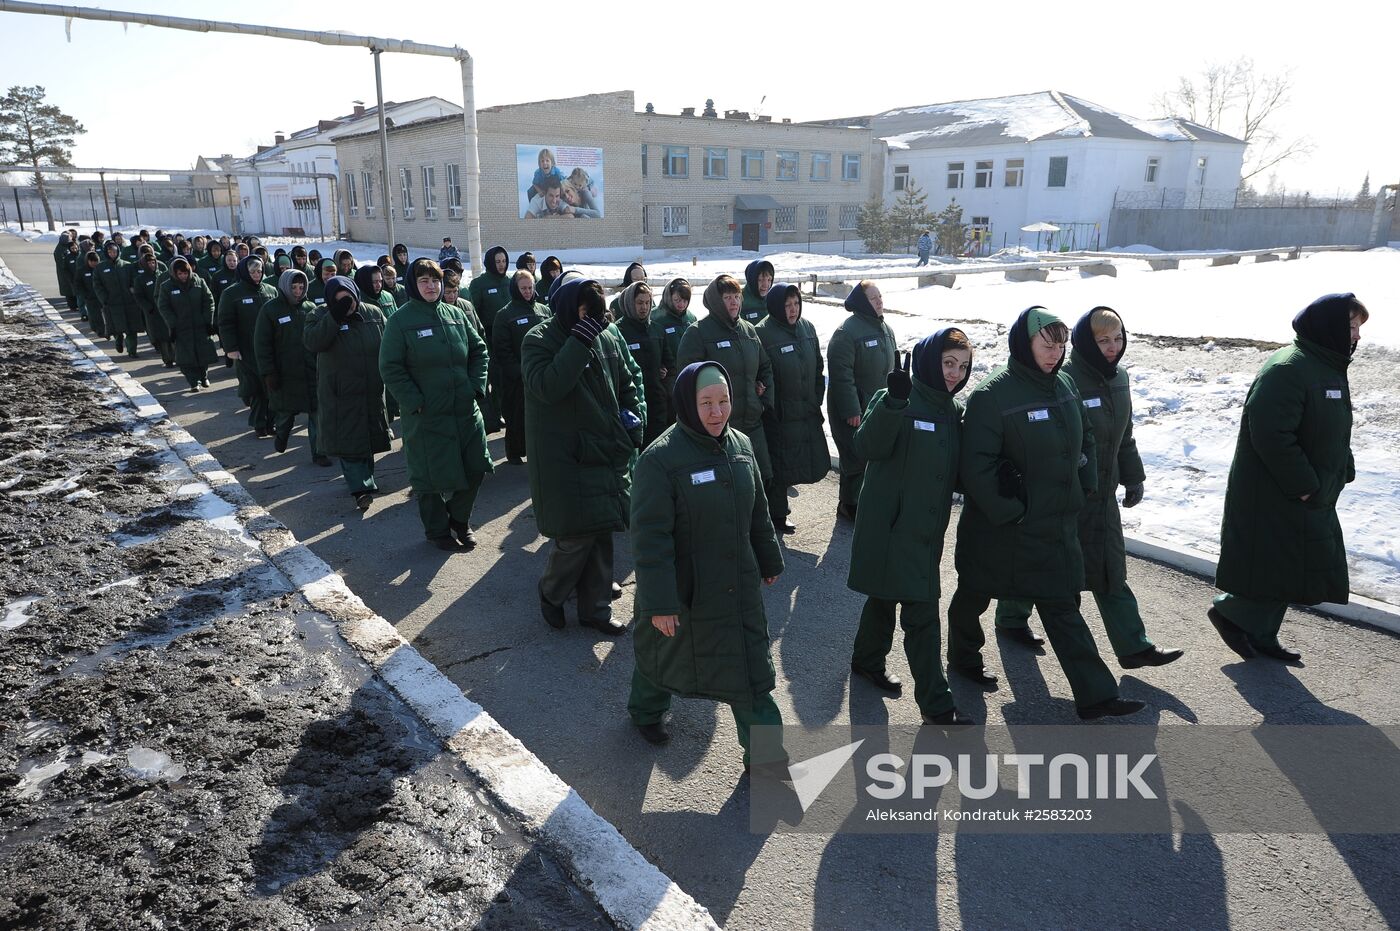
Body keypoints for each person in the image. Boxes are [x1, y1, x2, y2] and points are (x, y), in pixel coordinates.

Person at [947, 306, 1144, 721]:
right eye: (1046, 344)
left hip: (1056, 523)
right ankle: (963, 658)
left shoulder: (1065, 385)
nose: (1055, 353)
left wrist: (1085, 485)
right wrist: (1011, 511)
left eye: (1061, 345)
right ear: (1024, 342)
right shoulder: (992, 394)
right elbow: (975, 467)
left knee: (1062, 606)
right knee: (974, 595)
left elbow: (1086, 437)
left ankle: (1096, 695)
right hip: (1003, 529)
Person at [995, 307, 1183, 669]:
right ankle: (1011, 616)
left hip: (1104, 496)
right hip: (1070, 494)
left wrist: (1133, 475)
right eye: (1103, 340)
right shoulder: (1063, 378)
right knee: (1050, 567)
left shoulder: (1120, 378)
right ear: (1085, 341)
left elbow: (1122, 434)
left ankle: (1133, 645)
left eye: (1118, 339)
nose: (1113, 347)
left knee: (1110, 568)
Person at [628, 361, 789, 774]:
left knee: (751, 673)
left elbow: (757, 511)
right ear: (687, 403)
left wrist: (769, 558)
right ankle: (645, 711)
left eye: (723, 401)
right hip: (687, 590)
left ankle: (767, 760)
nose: (717, 412)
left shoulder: (741, 446)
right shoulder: (659, 460)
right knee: (663, 655)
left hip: (739, 585)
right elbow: (651, 539)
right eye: (706, 403)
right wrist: (659, 604)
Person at [1209, 293, 1369, 663]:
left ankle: (1262, 634)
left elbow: (1330, 427)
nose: (1357, 336)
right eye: (1351, 327)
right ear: (1328, 326)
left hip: (1313, 489)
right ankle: (1230, 614)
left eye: (1358, 328)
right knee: (1277, 562)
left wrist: (1342, 466)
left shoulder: (1326, 366)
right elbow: (1270, 434)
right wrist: (1304, 486)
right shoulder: (1289, 368)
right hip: (1279, 490)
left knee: (1290, 566)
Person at [848, 331, 974, 725]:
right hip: (892, 526)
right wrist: (893, 402)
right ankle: (937, 704)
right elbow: (866, 446)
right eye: (948, 362)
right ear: (930, 358)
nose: (955, 373)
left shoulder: (951, 410)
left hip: (925, 529)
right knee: (921, 613)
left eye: (963, 366)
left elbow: (946, 470)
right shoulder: (897, 396)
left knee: (885, 596)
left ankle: (867, 660)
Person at [522, 277, 643, 634]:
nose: (588, 319)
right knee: (575, 537)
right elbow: (547, 386)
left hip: (606, 449)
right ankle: (552, 592)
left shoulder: (606, 336)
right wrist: (578, 341)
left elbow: (627, 384)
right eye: (581, 312)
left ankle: (596, 610)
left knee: (601, 531)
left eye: (593, 313)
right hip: (566, 456)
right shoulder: (539, 340)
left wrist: (634, 420)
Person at [379, 258, 493, 551]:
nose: (432, 286)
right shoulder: (400, 321)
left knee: (476, 465)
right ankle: (437, 530)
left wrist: (475, 387)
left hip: (465, 409)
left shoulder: (456, 315)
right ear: (413, 285)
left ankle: (459, 519)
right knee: (428, 477)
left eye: (436, 280)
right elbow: (390, 367)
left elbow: (480, 351)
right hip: (426, 414)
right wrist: (414, 401)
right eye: (424, 281)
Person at [676, 274, 776, 522]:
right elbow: (686, 382)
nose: (733, 302)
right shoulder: (698, 333)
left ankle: (756, 531)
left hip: (752, 423)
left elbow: (766, 367)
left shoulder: (749, 331)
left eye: (737, 297)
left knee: (760, 478)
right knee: (724, 487)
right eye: (727, 297)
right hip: (718, 428)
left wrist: (763, 401)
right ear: (715, 300)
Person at [305, 276, 391, 511]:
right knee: (349, 442)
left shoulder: (372, 313)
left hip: (371, 389)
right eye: (340, 301)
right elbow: (313, 341)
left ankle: (365, 480)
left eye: (349, 300)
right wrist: (335, 315)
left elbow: (390, 342)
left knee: (368, 440)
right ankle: (360, 489)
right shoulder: (319, 315)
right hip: (340, 392)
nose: (348, 305)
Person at [756, 282, 828, 534]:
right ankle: (777, 513)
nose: (793, 309)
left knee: (800, 460)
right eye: (787, 305)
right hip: (780, 413)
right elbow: (760, 374)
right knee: (779, 465)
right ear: (776, 306)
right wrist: (770, 405)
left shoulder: (807, 328)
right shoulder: (762, 333)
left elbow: (818, 368)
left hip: (805, 409)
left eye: (796, 303)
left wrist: (816, 396)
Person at [827, 281, 898, 520]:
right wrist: (851, 409)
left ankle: (866, 501)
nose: (879, 301)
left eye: (880, 296)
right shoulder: (847, 332)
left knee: (872, 456)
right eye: (873, 298)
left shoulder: (886, 329)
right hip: (855, 408)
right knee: (854, 458)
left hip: (877, 407)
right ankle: (849, 505)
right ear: (861, 302)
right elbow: (840, 375)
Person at [254, 269, 327, 465]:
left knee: (316, 414)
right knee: (286, 413)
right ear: (285, 286)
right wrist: (268, 372)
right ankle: (281, 436)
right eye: (293, 287)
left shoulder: (310, 308)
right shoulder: (270, 310)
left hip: (311, 371)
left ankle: (319, 452)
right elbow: (262, 344)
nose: (297, 291)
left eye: (301, 287)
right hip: (285, 373)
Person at [491, 269, 550, 464]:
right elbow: (502, 349)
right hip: (517, 377)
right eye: (523, 288)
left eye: (530, 287)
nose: (527, 291)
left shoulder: (544, 310)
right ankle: (515, 451)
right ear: (515, 288)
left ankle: (539, 450)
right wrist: (518, 370)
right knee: (516, 415)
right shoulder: (505, 314)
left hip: (541, 374)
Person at [218, 256, 279, 438]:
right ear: (244, 271)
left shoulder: (270, 291)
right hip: (246, 349)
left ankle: (271, 423)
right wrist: (231, 348)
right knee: (256, 389)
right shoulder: (232, 294)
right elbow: (225, 323)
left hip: (269, 349)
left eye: (259, 271)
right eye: (252, 271)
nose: (256, 275)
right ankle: (259, 424)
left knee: (272, 387)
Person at [614, 280, 672, 448]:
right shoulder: (618, 331)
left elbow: (669, 362)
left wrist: (665, 370)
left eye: (647, 303)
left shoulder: (657, 330)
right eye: (639, 303)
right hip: (632, 402)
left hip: (657, 402)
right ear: (630, 303)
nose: (644, 307)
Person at [468, 245, 512, 432]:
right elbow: (473, 311)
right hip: (488, 334)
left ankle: (503, 410)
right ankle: (490, 416)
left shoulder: (510, 281)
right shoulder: (479, 284)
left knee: (505, 377)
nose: (501, 265)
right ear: (490, 263)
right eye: (497, 261)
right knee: (491, 376)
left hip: (509, 336)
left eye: (503, 261)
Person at [157, 257, 218, 391]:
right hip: (181, 327)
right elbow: (163, 306)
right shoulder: (166, 287)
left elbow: (209, 301)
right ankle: (192, 382)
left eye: (185, 273)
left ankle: (203, 376)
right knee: (185, 357)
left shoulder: (199, 282)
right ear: (175, 273)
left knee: (203, 354)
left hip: (200, 326)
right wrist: (172, 323)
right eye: (180, 273)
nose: (183, 276)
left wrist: (208, 320)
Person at [650, 278, 697, 433]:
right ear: (669, 297)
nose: (681, 304)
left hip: (688, 372)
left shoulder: (690, 318)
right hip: (668, 376)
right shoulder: (657, 318)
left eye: (685, 301)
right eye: (677, 300)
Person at [94, 240, 141, 357]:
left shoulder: (127, 265)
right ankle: (118, 340)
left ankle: (132, 350)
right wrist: (104, 298)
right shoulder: (100, 268)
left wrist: (133, 290)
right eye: (110, 252)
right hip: (112, 303)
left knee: (131, 329)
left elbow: (135, 280)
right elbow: (97, 285)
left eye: (114, 251)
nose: (112, 254)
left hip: (129, 302)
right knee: (116, 327)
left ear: (118, 251)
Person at [130, 248, 174, 367]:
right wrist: (148, 307)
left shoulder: (163, 275)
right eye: (148, 263)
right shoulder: (140, 279)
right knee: (162, 337)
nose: (151, 265)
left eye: (153, 262)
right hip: (154, 312)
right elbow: (138, 296)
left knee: (172, 334)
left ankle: (177, 357)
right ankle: (168, 360)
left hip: (167, 309)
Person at [77, 247, 103, 336]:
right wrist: (84, 294)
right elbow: (78, 284)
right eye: (92, 262)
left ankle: (102, 330)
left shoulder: (100, 269)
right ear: (88, 261)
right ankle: (97, 328)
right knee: (93, 314)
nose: (94, 264)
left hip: (101, 295)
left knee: (103, 315)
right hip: (89, 297)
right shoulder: (81, 270)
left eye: (96, 262)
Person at [740, 259, 774, 325]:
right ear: (751, 280)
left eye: (769, 280)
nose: (765, 285)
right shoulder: (739, 300)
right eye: (760, 280)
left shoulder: (774, 299)